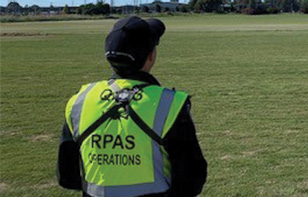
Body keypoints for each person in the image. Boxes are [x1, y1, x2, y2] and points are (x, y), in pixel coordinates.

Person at [57, 16, 207, 196]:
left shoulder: (80, 101)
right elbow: (191, 180)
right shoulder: (169, 104)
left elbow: (66, 176)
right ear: (151, 56)